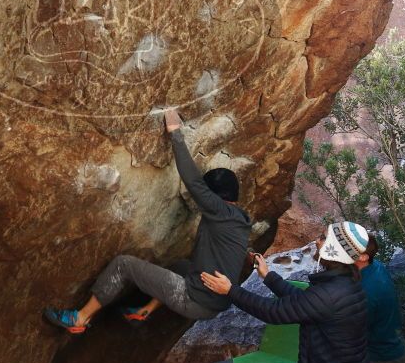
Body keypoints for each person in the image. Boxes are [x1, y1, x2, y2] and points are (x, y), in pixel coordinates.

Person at [43, 109, 251, 333]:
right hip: (215, 304)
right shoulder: (240, 220)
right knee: (181, 266)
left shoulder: (218, 210)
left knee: (123, 264)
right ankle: (145, 311)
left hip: (195, 299)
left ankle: (80, 317)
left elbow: (193, 181)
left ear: (215, 196)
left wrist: (176, 134)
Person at [201, 222, 379, 363]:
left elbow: (274, 311)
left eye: (324, 238)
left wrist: (230, 290)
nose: (317, 241)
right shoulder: (345, 284)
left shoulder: (330, 293)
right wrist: (268, 276)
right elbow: (303, 303)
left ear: (334, 250)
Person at [354, 234, 405, 363]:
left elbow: (353, 331)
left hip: (381, 361)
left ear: (363, 257)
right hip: (390, 349)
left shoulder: (368, 292)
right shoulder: (374, 266)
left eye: (349, 247)